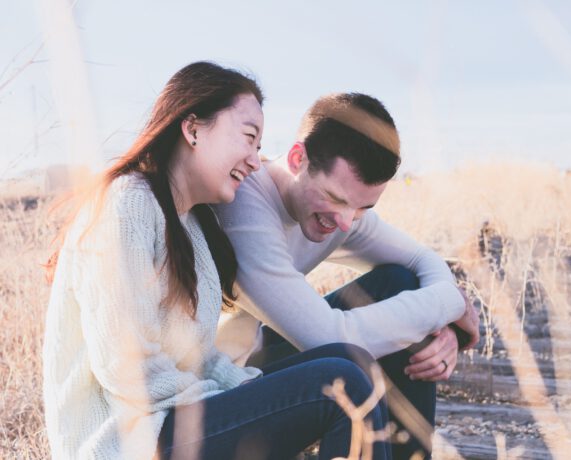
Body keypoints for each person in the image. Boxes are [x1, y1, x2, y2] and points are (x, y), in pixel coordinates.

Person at [43, 63, 392, 459]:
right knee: (340, 382)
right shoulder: (127, 203)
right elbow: (126, 368)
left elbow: (199, 357)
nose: (256, 161)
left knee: (349, 358)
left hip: (173, 422)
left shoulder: (190, 226)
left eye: (259, 147)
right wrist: (229, 401)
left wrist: (246, 392)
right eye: (248, 138)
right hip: (127, 442)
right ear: (192, 129)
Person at [213, 92, 480, 459]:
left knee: (400, 282)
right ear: (297, 158)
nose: (345, 221)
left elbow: (422, 259)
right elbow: (328, 336)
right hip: (214, 395)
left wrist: (442, 327)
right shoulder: (244, 205)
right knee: (355, 362)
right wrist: (449, 304)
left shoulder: (343, 214)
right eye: (335, 198)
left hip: (254, 361)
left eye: (363, 207)